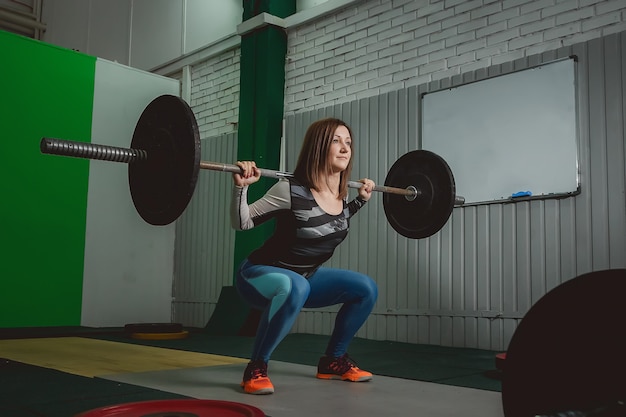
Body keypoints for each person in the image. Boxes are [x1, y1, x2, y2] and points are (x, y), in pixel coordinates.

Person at [230, 117, 379, 395]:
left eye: (348, 142)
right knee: (295, 285)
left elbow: (333, 221)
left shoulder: (340, 195)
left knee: (365, 288)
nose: (345, 148)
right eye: (336, 141)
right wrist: (242, 187)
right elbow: (243, 223)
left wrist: (360, 200)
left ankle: (333, 360)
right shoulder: (290, 190)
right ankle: (256, 368)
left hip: (304, 279)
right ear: (318, 146)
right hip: (258, 276)